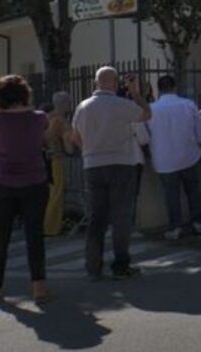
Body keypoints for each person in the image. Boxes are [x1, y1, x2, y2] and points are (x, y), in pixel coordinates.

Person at [72, 67, 152, 281]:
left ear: (97, 83)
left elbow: (76, 136)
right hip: (120, 162)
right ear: (115, 83)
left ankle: (93, 266)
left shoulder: (82, 107)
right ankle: (121, 264)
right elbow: (146, 114)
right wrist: (135, 93)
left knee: (97, 217)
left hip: (92, 164)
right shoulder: (122, 105)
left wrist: (88, 151)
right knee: (121, 216)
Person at [0, 75, 50, 303]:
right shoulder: (40, 118)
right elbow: (44, 143)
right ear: (25, 95)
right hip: (35, 181)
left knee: (0, 236)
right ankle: (39, 287)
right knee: (34, 236)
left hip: (3, 182)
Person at [149, 75, 201, 241]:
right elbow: (200, 129)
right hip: (188, 154)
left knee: (171, 195)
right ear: (174, 87)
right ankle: (198, 221)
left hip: (164, 158)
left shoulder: (152, 109)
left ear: (159, 89)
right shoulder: (188, 105)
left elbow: (144, 136)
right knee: (193, 190)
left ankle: (175, 226)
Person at [44, 92, 76, 236]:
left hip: (45, 159)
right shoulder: (61, 121)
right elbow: (69, 146)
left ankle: (48, 224)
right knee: (57, 193)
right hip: (57, 159)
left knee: (50, 193)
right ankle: (51, 227)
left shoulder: (46, 117)